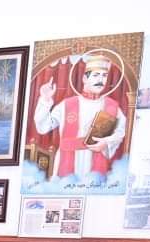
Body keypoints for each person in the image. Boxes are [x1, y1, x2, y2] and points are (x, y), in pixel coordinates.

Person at [33, 52, 127, 181]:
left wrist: (106, 143)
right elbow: (43, 127)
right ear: (84, 79)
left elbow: (121, 132)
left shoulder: (111, 107)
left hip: (96, 165)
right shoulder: (67, 105)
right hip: (66, 165)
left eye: (104, 76)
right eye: (96, 75)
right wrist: (45, 99)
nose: (101, 80)